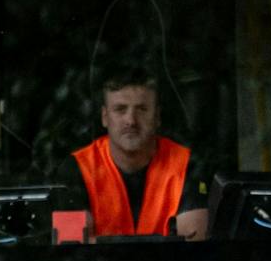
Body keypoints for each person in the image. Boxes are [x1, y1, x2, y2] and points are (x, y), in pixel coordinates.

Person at [71, 70, 209, 239]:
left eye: (142, 109)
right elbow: (69, 247)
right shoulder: (75, 167)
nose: (131, 121)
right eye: (120, 109)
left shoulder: (188, 164)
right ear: (105, 117)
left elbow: (195, 245)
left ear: (157, 116)